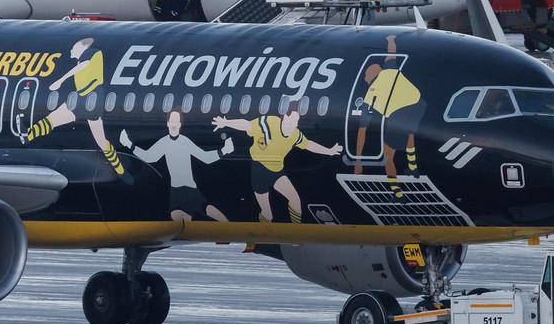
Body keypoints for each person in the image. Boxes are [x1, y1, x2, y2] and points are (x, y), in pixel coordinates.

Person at [212, 102, 341, 222]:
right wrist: (226, 122)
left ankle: (294, 233)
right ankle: (262, 235)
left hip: (277, 171)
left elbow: (309, 145)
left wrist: (329, 151)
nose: (295, 124)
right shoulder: (269, 123)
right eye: (293, 120)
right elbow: (247, 125)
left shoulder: (295, 134)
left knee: (295, 200)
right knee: (268, 214)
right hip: (259, 171)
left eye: (297, 121)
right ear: (285, 117)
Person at [22, 37, 124, 174]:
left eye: (74, 49)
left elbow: (84, 65)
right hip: (82, 97)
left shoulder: (91, 53)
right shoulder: (87, 56)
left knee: (100, 140)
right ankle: (28, 135)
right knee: (54, 119)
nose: (71, 51)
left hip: (91, 99)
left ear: (81, 49)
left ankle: (119, 168)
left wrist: (60, 80)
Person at [119, 111, 232, 222]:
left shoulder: (185, 141)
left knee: (213, 215)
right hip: (176, 191)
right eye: (171, 121)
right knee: (177, 217)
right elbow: (149, 157)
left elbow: (205, 158)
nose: (174, 124)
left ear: (180, 124)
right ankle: (214, 230)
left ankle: (225, 231)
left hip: (191, 189)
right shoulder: (164, 142)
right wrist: (129, 144)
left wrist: (223, 151)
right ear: (168, 123)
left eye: (176, 121)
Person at [351, 35, 421, 180]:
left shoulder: (369, 97)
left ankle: (396, 192)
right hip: (418, 104)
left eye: (366, 75)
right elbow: (391, 54)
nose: (365, 77)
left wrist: (358, 160)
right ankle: (413, 167)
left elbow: (362, 132)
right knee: (410, 134)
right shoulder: (390, 71)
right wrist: (391, 40)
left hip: (398, 113)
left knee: (388, 155)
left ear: (369, 77)